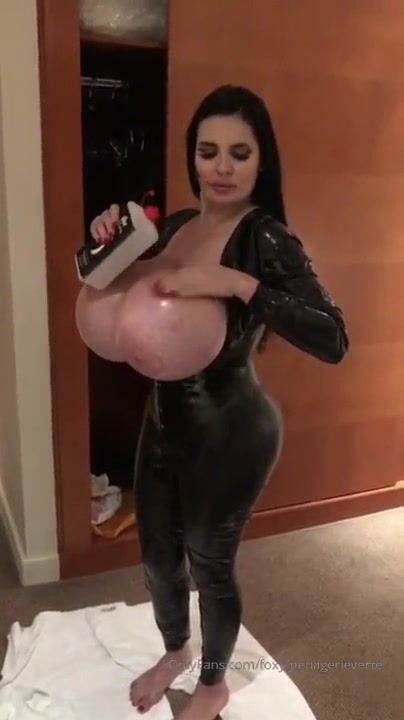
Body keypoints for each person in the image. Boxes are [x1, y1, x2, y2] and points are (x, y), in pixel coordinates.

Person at [90, 85, 349, 720]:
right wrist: (106, 237)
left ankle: (213, 685)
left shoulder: (266, 238)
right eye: (208, 152)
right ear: (193, 156)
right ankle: (175, 650)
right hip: (163, 418)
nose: (222, 167)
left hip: (232, 428)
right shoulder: (177, 225)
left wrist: (234, 281)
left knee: (209, 563)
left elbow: (332, 336)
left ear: (263, 162)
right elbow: (121, 293)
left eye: (240, 152)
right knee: (157, 560)